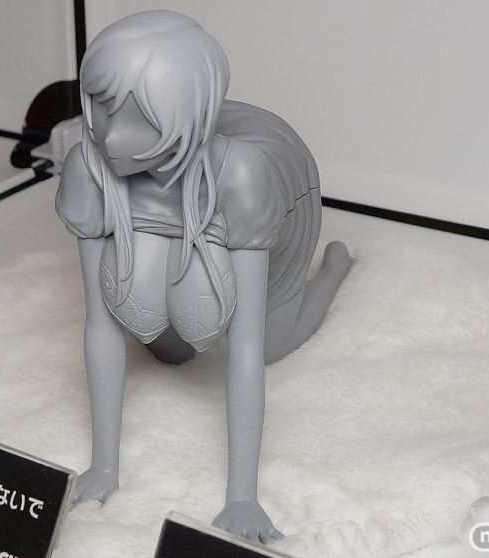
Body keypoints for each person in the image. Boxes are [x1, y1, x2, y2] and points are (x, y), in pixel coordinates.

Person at [56, 10, 352, 544]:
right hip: (186, 166)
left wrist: (242, 498)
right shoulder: (90, 166)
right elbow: (101, 325)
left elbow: (245, 348)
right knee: (169, 347)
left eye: (136, 117)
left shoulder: (242, 175)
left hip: (277, 184)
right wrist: (104, 466)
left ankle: (334, 269)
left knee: (268, 345)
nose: (110, 134)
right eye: (99, 103)